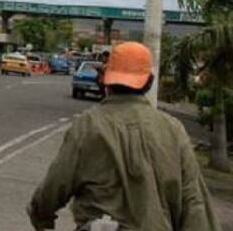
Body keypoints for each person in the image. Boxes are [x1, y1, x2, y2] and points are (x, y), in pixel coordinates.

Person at [27, 42, 218, 231]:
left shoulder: (88, 125)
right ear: (149, 81)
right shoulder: (173, 130)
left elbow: (55, 185)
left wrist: (41, 217)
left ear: (105, 80)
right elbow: (194, 203)